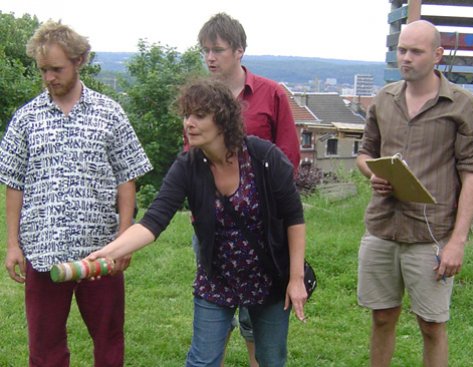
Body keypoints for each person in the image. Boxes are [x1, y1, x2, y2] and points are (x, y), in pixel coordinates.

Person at [87, 78, 308, 367]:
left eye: (199, 116)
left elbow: (294, 217)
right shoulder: (188, 165)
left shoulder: (264, 157)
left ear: (223, 120)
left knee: (270, 360)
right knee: (202, 362)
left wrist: (295, 279)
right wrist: (110, 251)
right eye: (186, 115)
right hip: (217, 279)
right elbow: (153, 221)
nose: (188, 123)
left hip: (268, 278)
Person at [0, 20, 152, 366]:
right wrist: (12, 244)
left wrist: (124, 236)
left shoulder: (109, 114)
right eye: (43, 70)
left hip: (100, 252)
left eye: (56, 69)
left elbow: (127, 177)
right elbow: (14, 183)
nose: (49, 78)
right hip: (43, 250)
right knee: (44, 347)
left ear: (80, 60)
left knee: (109, 339)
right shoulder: (26, 119)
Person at [356, 20, 473, 367]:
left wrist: (458, 241)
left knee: (431, 325)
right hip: (383, 227)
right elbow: (364, 154)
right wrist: (373, 173)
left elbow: (472, 174)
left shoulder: (463, 106)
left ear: (437, 54)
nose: (407, 58)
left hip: (430, 235)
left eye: (416, 51)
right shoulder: (383, 100)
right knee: (382, 317)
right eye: (402, 50)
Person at [195, 13, 301, 366]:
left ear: (239, 51)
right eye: (205, 50)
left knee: (258, 320)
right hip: (212, 222)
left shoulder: (271, 94)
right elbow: (192, 160)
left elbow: (288, 157)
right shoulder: (200, 99)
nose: (210, 57)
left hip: (262, 226)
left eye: (218, 50)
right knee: (216, 309)